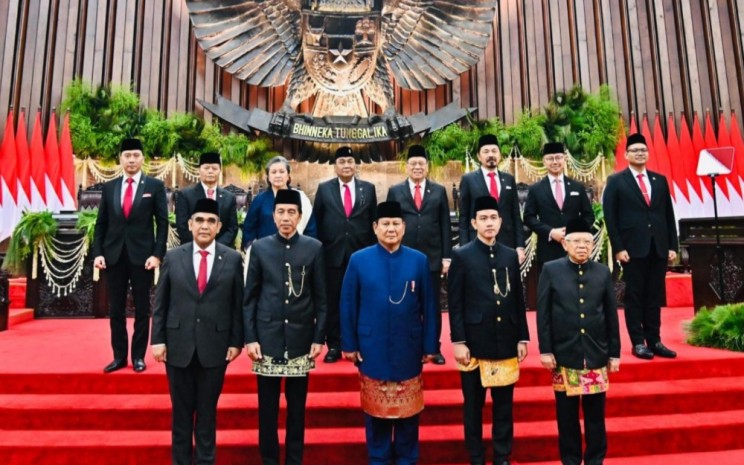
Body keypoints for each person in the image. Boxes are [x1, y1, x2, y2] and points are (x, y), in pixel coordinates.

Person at [340, 200, 438, 465]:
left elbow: (430, 306)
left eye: (396, 224)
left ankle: (407, 459)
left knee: (408, 418)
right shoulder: (359, 260)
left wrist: (431, 346)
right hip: (372, 347)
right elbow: (348, 304)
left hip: (409, 346)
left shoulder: (418, 260)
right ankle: (378, 459)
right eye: (386, 224)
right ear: (375, 227)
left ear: (404, 227)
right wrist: (348, 344)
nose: (391, 229)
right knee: (376, 418)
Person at [151, 198, 244, 465]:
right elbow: (161, 302)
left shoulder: (233, 258)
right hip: (177, 346)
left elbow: (238, 303)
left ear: (219, 226)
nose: (205, 226)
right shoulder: (173, 256)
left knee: (206, 414)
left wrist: (236, 341)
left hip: (215, 348)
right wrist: (157, 340)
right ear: (190, 225)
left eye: (210, 221)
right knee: (181, 415)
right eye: (199, 220)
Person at [243, 189, 327, 465]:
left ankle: (294, 459)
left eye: (292, 212)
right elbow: (250, 298)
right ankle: (269, 459)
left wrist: (318, 337)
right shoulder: (260, 248)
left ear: (300, 217)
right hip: (266, 339)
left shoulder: (313, 248)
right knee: (267, 409)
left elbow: (322, 299)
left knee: (296, 410)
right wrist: (250, 338)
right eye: (281, 212)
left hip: (301, 339)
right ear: (273, 215)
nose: (286, 217)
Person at [448, 196, 529, 465]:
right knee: (473, 406)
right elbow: (455, 302)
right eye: (483, 218)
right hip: (474, 341)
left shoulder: (508, 255)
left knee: (504, 405)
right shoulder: (462, 255)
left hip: (505, 339)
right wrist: (458, 340)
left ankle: (502, 456)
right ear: (473, 223)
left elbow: (518, 299)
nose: (489, 223)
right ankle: (476, 456)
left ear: (501, 221)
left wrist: (522, 337)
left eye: (493, 218)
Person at [537, 217, 621, 465]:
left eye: (587, 241)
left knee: (596, 416)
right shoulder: (551, 270)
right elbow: (543, 314)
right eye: (576, 241)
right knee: (567, 416)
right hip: (564, 354)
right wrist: (546, 350)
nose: (582, 246)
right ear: (565, 244)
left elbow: (611, 315)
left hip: (596, 353)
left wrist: (614, 353)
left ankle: (595, 460)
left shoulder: (603, 272)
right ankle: (571, 460)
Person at [93, 138, 169, 373]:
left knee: (142, 309)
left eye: (136, 155)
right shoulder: (109, 187)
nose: (132, 160)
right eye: (127, 155)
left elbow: (163, 223)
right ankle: (119, 357)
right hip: (114, 257)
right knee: (115, 309)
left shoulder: (154, 186)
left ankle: (138, 357)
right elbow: (101, 224)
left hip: (142, 258)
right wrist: (98, 253)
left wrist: (157, 254)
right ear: (121, 159)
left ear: (142, 158)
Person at [602, 133, 678, 360]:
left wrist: (672, 245)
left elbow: (668, 214)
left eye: (643, 150)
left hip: (658, 247)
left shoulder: (659, 180)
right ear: (626, 155)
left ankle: (654, 340)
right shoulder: (616, 181)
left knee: (654, 295)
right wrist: (618, 247)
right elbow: (610, 217)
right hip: (632, 249)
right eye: (634, 150)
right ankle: (638, 342)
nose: (639, 153)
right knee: (635, 295)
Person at [386, 144, 452, 365]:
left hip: (432, 258)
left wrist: (446, 257)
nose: (417, 167)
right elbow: (390, 224)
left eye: (421, 164)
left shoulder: (439, 191)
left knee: (432, 305)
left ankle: (434, 347)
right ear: (406, 167)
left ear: (427, 167)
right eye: (413, 164)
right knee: (403, 303)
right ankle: (407, 346)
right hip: (403, 257)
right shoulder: (395, 191)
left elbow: (444, 225)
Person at [313, 146, 377, 363]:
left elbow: (372, 223)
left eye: (350, 161)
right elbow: (318, 222)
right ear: (335, 166)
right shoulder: (324, 189)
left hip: (361, 255)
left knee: (361, 300)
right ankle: (335, 345)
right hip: (333, 255)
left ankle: (359, 343)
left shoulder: (368, 189)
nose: (347, 165)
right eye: (342, 162)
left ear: (355, 165)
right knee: (334, 301)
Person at [523, 141, 594, 268]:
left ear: (565, 159)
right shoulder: (536, 189)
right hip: (548, 249)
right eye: (550, 158)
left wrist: (574, 232)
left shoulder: (577, 187)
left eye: (558, 157)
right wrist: (550, 232)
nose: (555, 162)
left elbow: (589, 216)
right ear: (544, 162)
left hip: (575, 250)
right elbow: (529, 217)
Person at [458, 134, 526, 264]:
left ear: (500, 155)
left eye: (494, 151)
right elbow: (464, 217)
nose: (491, 155)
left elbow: (516, 215)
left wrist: (519, 246)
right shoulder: (468, 180)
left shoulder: (509, 179)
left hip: (506, 243)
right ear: (479, 156)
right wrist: (464, 248)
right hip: (477, 244)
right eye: (486, 151)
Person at [240, 156, 317, 249]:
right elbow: (249, 228)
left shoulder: (301, 198)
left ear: (288, 175)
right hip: (266, 252)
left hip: (296, 252)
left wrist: (306, 250)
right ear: (268, 177)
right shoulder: (260, 200)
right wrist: (253, 250)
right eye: (273, 172)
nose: (278, 175)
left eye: (281, 171)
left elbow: (310, 228)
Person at [175, 151, 238, 248]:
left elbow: (232, 228)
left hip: (222, 251)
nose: (210, 171)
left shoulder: (229, 197)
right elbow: (182, 226)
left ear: (220, 170)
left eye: (214, 168)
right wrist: (200, 246)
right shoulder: (185, 195)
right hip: (192, 249)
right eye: (206, 168)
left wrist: (215, 248)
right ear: (199, 170)